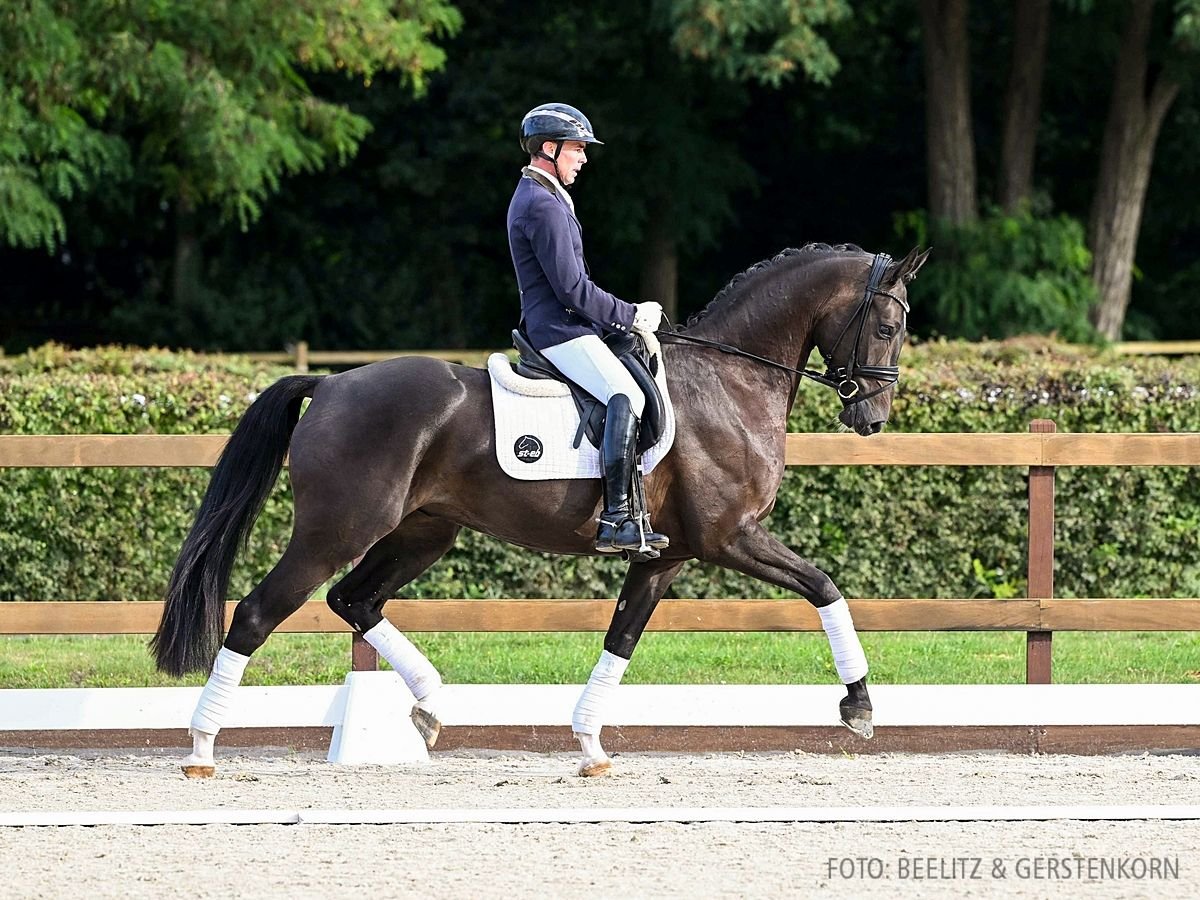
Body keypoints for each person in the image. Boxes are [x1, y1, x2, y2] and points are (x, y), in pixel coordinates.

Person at [507, 102, 668, 555]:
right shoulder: (541, 203)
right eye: (577, 149)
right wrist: (630, 314)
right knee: (628, 395)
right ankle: (616, 517)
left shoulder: (548, 195)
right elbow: (573, 289)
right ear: (549, 148)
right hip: (558, 330)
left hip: (569, 324)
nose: (583, 158)